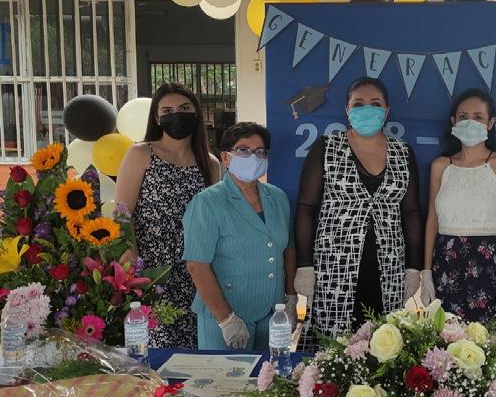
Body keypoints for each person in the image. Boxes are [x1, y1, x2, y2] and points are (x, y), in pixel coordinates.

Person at [294, 77, 422, 349]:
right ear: (347, 110)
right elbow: (306, 207)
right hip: (335, 266)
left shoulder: (403, 152)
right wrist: (304, 265)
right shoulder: (327, 147)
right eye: (359, 104)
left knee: (383, 345)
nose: (367, 109)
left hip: (389, 266)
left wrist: (413, 267)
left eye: (375, 104)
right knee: (334, 346)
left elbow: (411, 212)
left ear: (386, 111)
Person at [114, 83, 220, 348]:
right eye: (168, 110)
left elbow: (215, 220)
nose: (177, 115)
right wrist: (132, 268)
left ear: (196, 113)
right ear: (157, 118)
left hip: (196, 273)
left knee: (196, 353)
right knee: (154, 352)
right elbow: (122, 214)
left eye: (184, 108)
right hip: (151, 273)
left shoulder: (210, 164)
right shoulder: (141, 154)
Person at [183, 122, 296, 350]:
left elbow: (288, 250)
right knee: (224, 374)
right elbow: (197, 266)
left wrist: (291, 299)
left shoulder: (278, 198)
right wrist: (226, 319)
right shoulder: (208, 202)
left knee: (271, 372)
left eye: (260, 152)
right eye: (244, 150)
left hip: (272, 314)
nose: (253, 157)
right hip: (224, 316)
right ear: (226, 157)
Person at [421, 88, 496, 339]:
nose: (470, 122)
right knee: (447, 344)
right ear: (453, 121)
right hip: (446, 263)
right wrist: (426, 272)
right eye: (463, 117)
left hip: (489, 265)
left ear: (491, 122)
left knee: (490, 343)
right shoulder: (441, 166)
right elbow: (432, 221)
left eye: (478, 117)